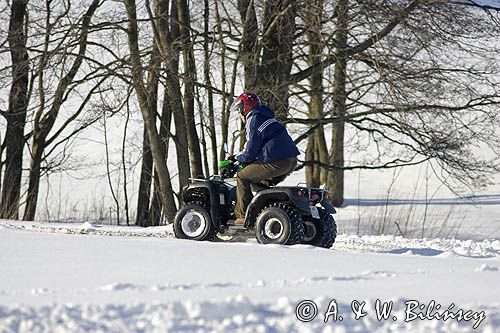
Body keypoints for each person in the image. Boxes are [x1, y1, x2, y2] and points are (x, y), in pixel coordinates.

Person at [229, 92, 300, 225]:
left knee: (242, 176)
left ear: (245, 109)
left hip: (277, 162)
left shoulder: (253, 119)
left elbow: (250, 151)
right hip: (290, 160)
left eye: (239, 110)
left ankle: (242, 217)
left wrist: (236, 158)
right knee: (261, 184)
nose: (239, 115)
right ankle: (263, 212)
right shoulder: (266, 117)